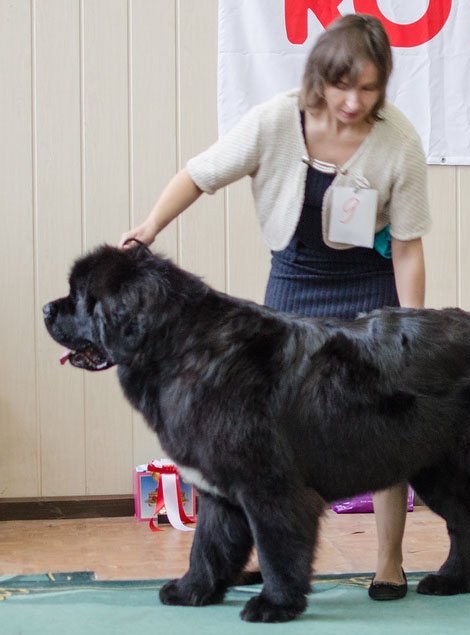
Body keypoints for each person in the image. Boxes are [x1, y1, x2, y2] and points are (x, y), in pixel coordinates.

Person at [119, 13, 431, 601]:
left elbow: (410, 245)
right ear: (319, 78)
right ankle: (270, 557)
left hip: (369, 289)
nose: (354, 101)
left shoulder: (400, 141)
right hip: (292, 285)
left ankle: (389, 561)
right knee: (266, 432)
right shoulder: (274, 120)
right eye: (344, 87)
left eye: (369, 89)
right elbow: (199, 174)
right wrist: (149, 226)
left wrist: (411, 328)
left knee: (386, 428)